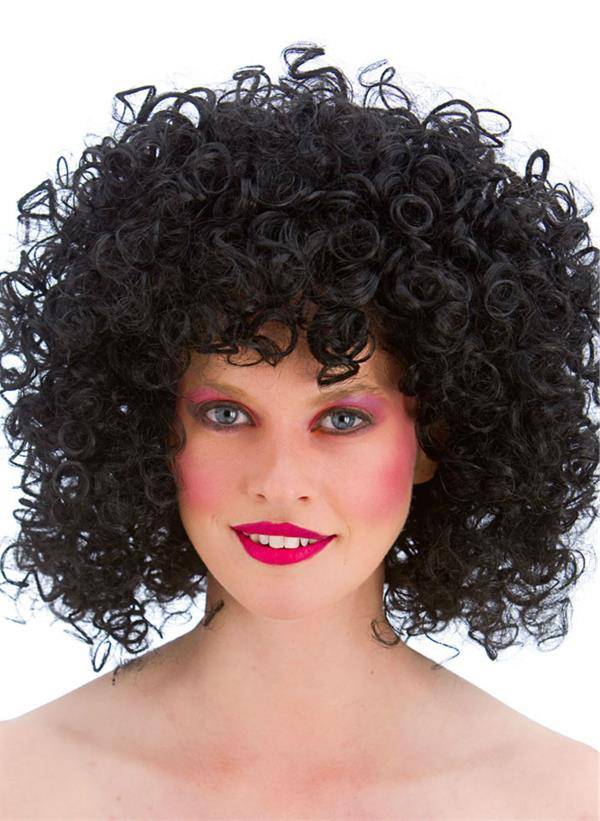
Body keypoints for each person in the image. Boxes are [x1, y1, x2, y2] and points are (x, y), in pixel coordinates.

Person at [0, 42, 598, 819]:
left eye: (342, 418)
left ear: (435, 437)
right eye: (227, 414)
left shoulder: (563, 799)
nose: (280, 482)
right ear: (150, 425)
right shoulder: (23, 786)